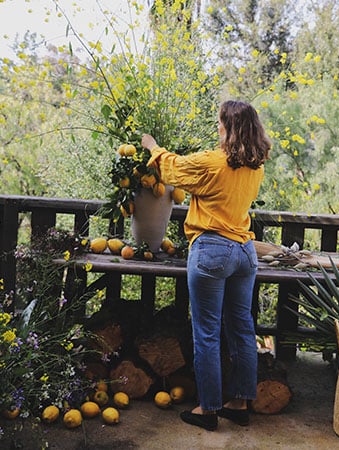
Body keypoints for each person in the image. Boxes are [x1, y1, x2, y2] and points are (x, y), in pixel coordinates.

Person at [141, 100, 271, 431]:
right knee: (242, 328)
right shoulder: (256, 166)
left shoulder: (211, 163)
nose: (217, 128)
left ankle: (208, 409)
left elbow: (170, 169)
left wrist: (152, 146)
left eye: (220, 123)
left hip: (213, 249)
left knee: (207, 332)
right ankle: (240, 403)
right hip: (244, 251)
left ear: (229, 128)